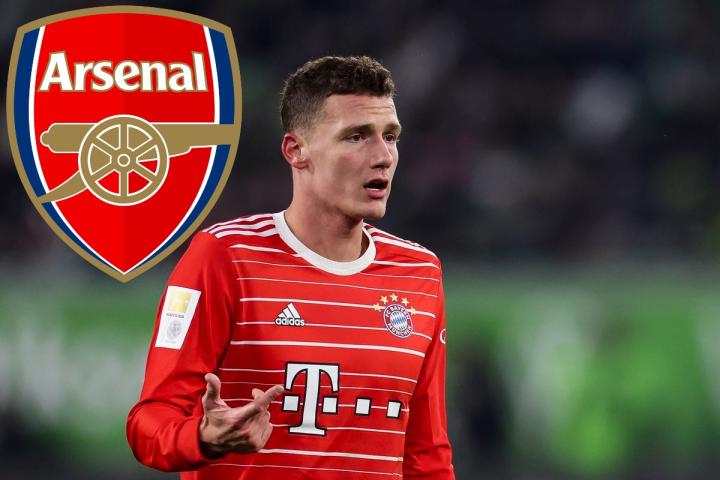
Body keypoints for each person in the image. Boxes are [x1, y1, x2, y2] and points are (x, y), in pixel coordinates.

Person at [127, 55, 455, 479]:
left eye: (390, 136)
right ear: (296, 151)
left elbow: (426, 456)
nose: (383, 156)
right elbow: (149, 423)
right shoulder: (225, 256)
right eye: (356, 137)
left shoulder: (419, 272)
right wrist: (203, 437)